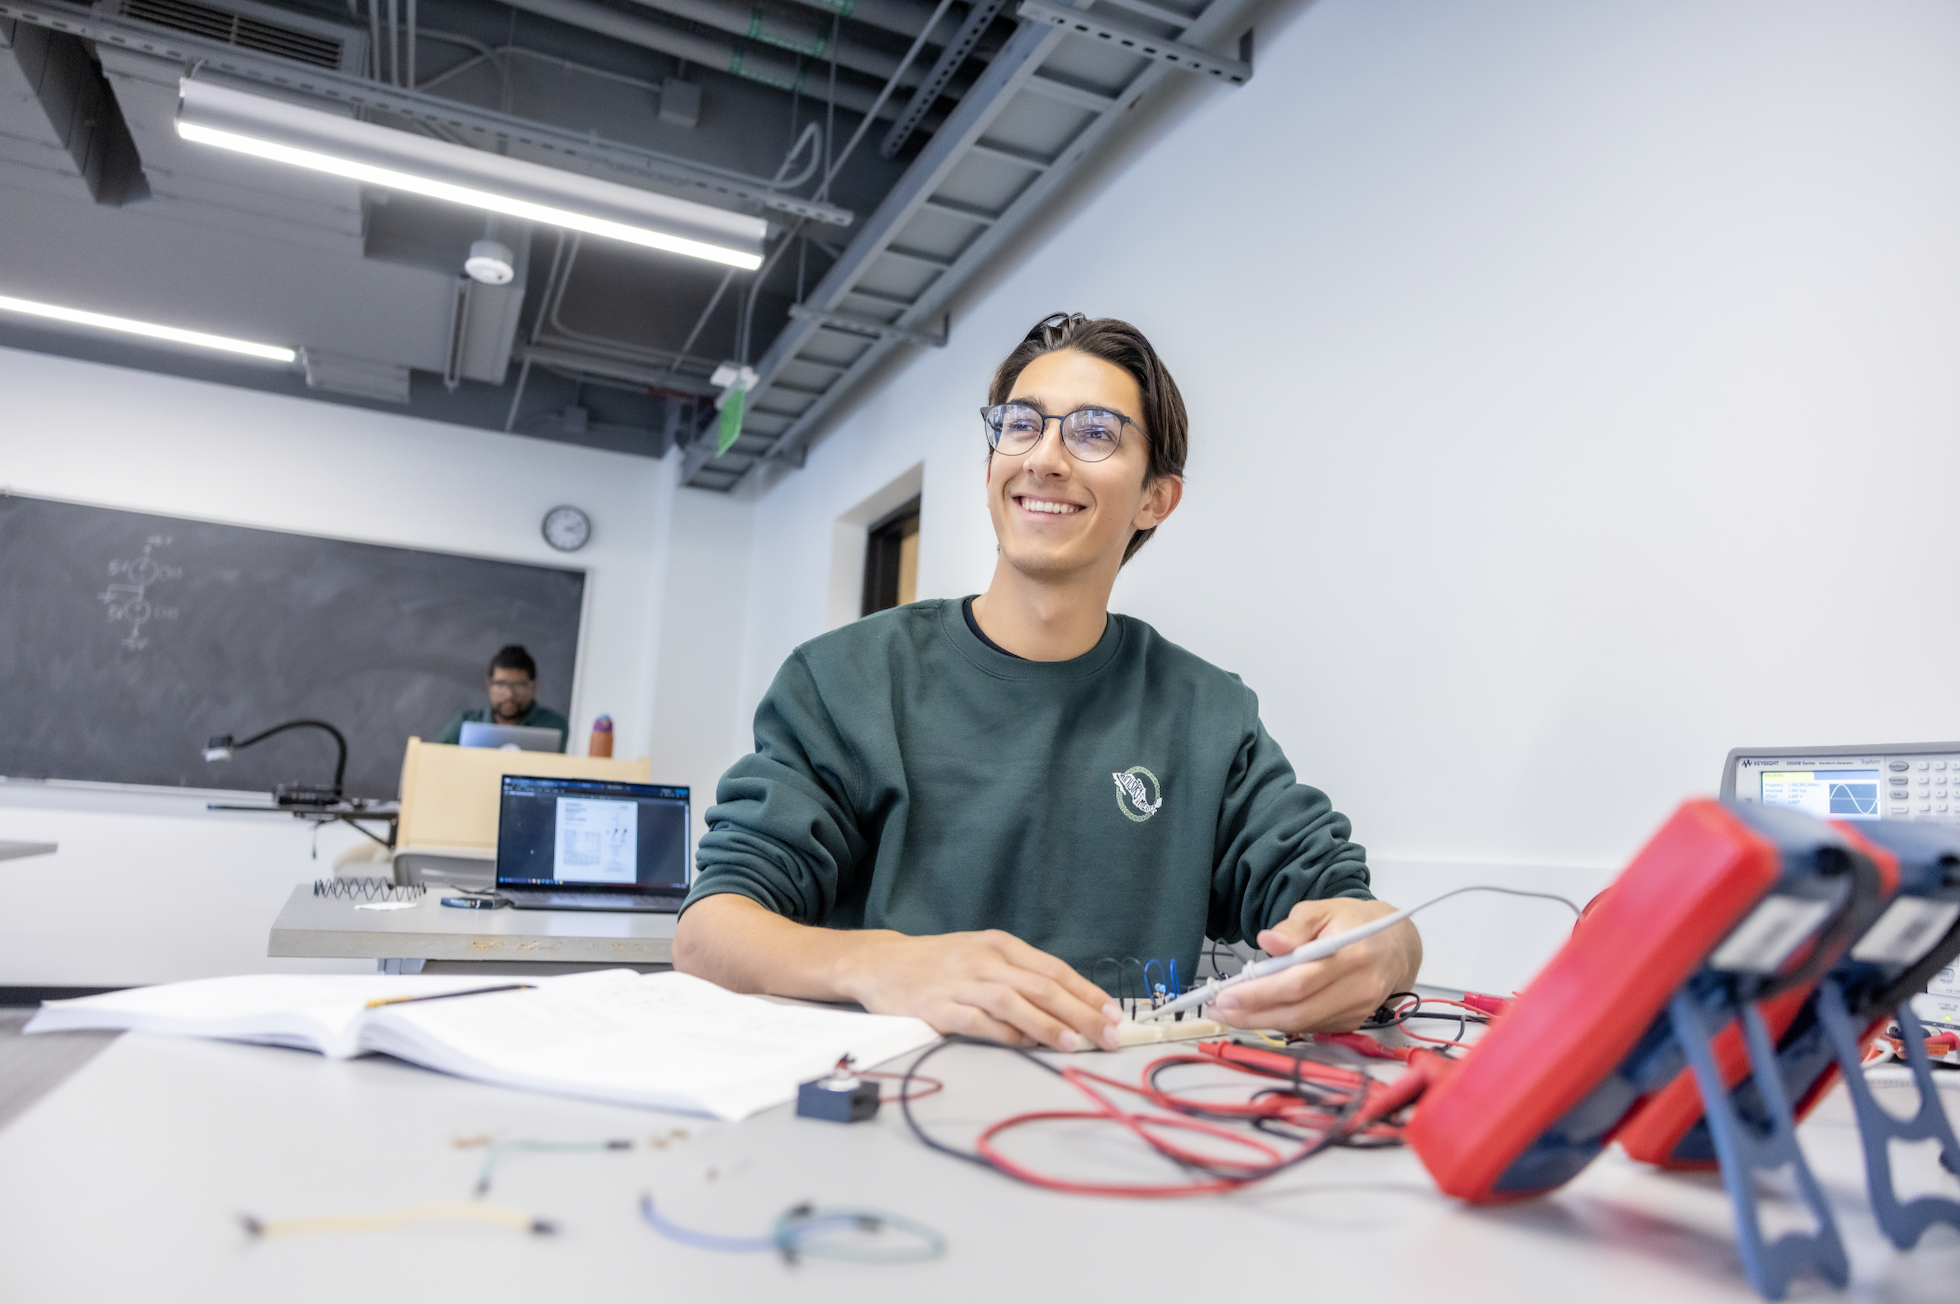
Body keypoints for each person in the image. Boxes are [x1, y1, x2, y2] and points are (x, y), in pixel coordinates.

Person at [672, 313, 1421, 1053]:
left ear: (1157, 498)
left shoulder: (1206, 715)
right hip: (881, 1109)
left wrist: (1388, 951)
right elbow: (711, 932)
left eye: (1095, 432)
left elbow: (1346, 908)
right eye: (1021, 425)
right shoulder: (847, 682)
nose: (1046, 457)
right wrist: (880, 962)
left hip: (1123, 1129)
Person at [436, 645, 570, 752]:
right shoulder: (465, 722)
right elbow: (433, 759)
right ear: (489, 685)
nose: (509, 694)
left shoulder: (553, 725)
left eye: (518, 685)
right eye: (501, 684)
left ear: (533, 687)